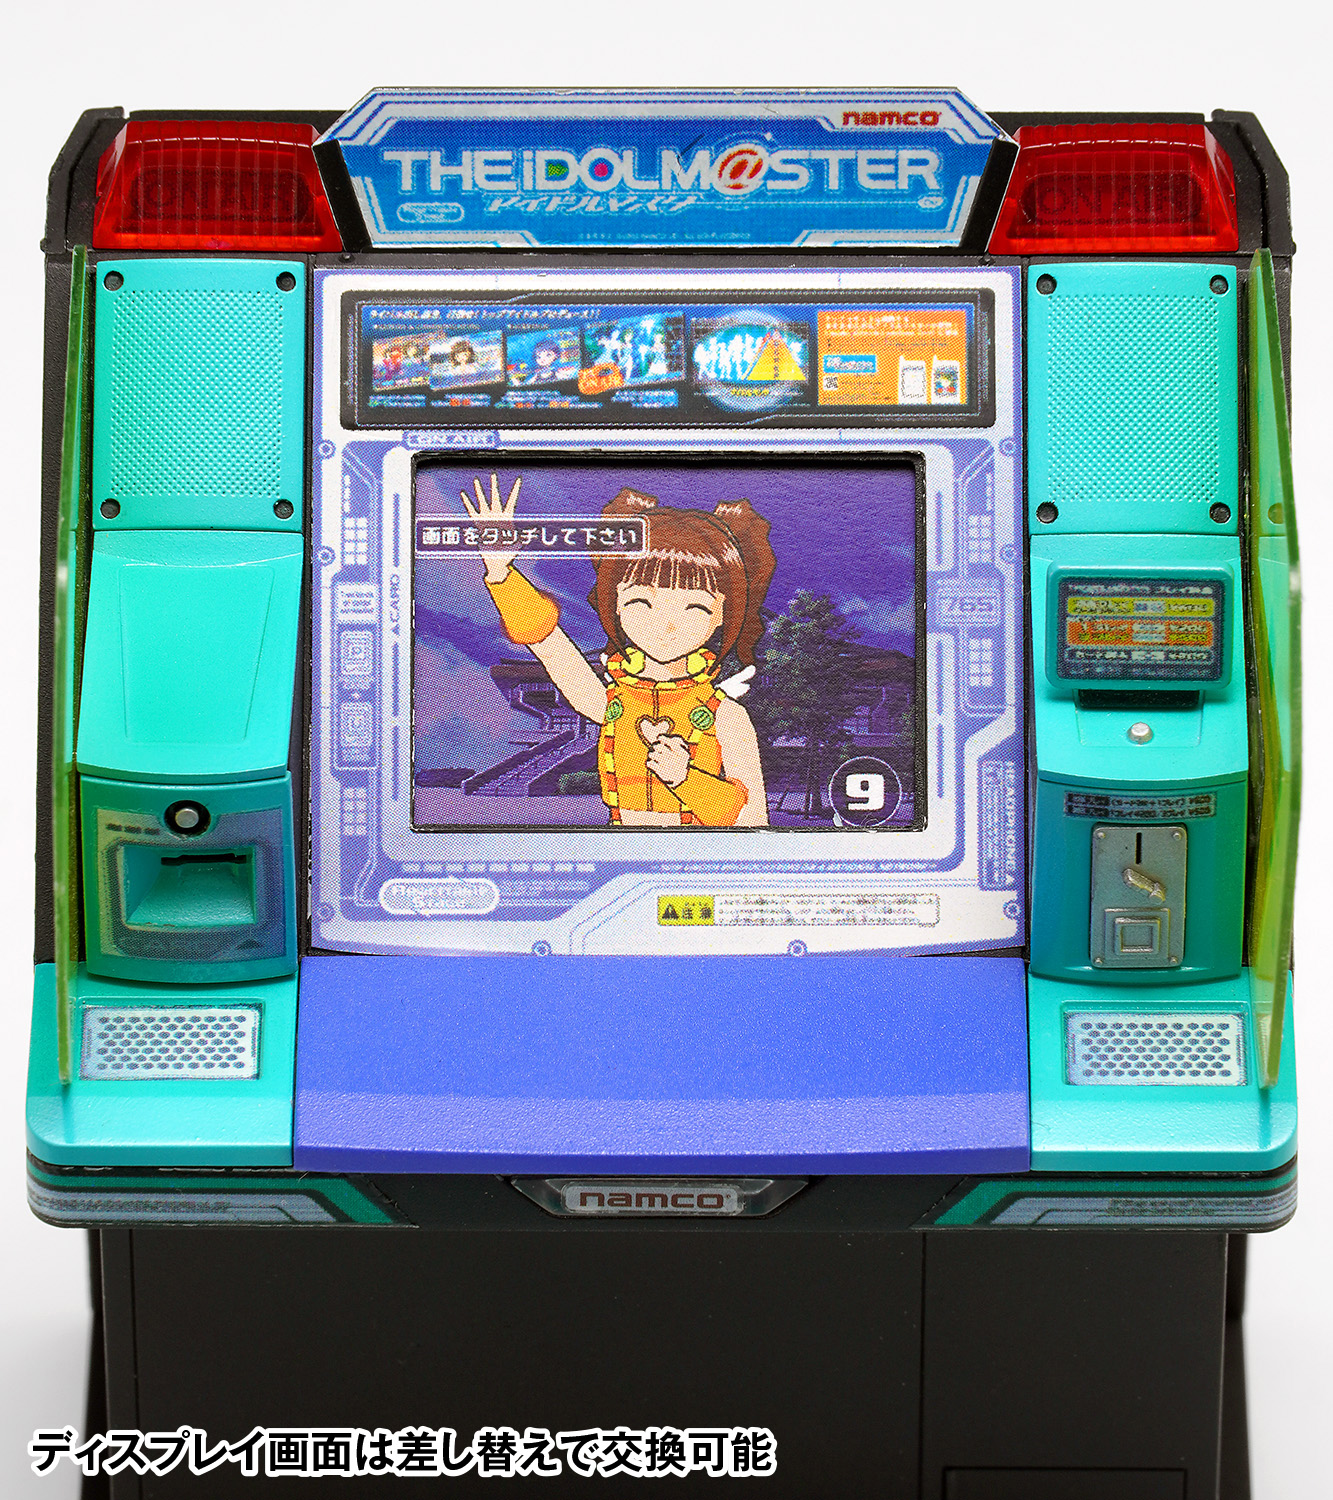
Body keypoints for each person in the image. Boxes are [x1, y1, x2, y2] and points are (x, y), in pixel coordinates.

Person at [461, 474, 775, 827]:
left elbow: (752, 820)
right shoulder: (611, 703)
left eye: (695, 607)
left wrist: (686, 779)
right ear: (616, 605)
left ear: (721, 615)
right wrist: (502, 574)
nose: (666, 626)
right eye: (641, 602)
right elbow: (547, 643)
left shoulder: (726, 716)